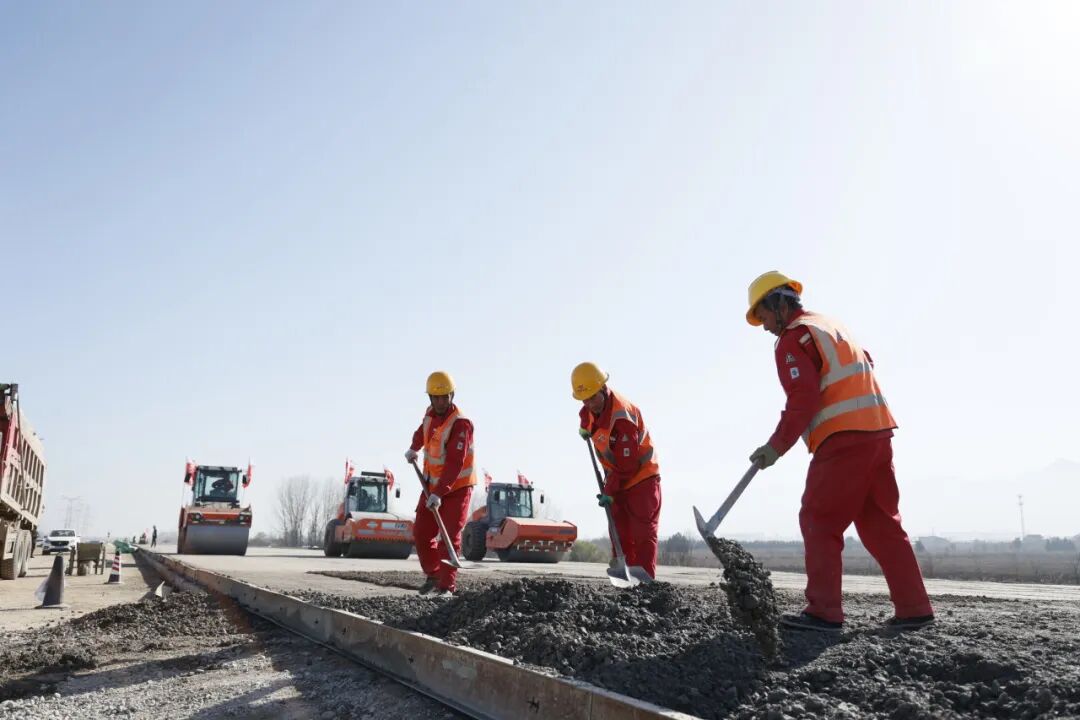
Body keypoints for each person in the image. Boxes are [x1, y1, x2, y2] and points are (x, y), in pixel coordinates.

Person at [745, 271, 934, 632]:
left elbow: (803, 397)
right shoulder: (830, 326)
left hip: (843, 439)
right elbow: (865, 364)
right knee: (882, 524)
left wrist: (776, 446)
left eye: (764, 315)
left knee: (818, 518)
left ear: (779, 304)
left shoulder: (793, 338)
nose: (765, 326)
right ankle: (915, 609)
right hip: (878, 432)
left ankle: (823, 612)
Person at [572, 362, 662, 579]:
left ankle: (645, 585)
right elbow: (585, 413)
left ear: (603, 389)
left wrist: (610, 491)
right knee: (619, 533)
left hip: (641, 479)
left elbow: (627, 465)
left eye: (593, 397)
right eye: (585, 399)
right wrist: (584, 426)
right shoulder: (590, 407)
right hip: (616, 478)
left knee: (642, 535)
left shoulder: (623, 419)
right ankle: (626, 583)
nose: (589, 404)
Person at [405, 371, 476, 597]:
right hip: (431, 486)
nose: (440, 402)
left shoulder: (461, 424)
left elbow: (455, 463)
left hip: (456, 489)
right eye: (436, 398)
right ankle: (434, 575)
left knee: (448, 537)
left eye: (444, 397)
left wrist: (439, 493)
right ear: (430, 398)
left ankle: (446, 587)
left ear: (451, 395)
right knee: (421, 533)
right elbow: (422, 432)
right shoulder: (430, 414)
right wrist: (414, 448)